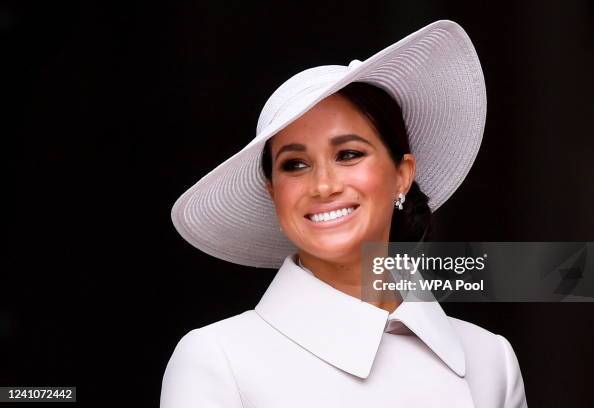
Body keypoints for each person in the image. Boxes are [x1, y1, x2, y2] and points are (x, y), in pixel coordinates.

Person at [161, 20, 528, 407]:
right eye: (295, 165)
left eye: (348, 154)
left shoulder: (490, 361)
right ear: (273, 193)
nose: (323, 185)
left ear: (402, 175)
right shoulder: (218, 360)